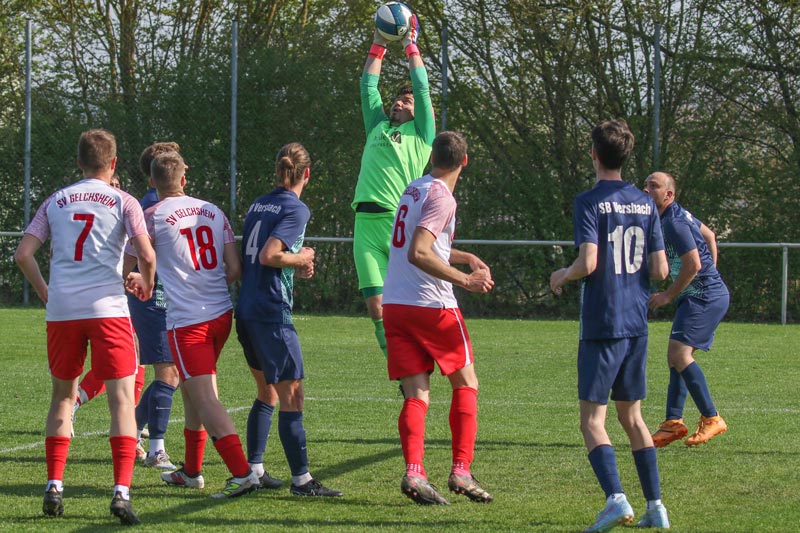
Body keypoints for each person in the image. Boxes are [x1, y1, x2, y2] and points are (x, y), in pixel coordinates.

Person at [14, 128, 156, 525]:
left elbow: (24, 254)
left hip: (64, 309)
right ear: (114, 163)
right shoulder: (124, 200)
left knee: (62, 397)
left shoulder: (55, 200)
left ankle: (54, 486)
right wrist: (146, 283)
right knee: (122, 400)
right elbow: (146, 254)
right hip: (108, 308)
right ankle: (121, 493)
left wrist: (46, 292)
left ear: (78, 162)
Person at [549, 120, 670, 531]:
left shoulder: (588, 201)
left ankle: (616, 500)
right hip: (636, 323)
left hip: (603, 321)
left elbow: (588, 262)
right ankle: (656, 507)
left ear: (594, 155)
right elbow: (660, 270)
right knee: (633, 419)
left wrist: (562, 275)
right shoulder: (645, 203)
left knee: (592, 421)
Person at [125, 151, 259, 498]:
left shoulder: (151, 216)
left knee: (205, 398)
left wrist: (142, 280)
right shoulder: (212, 211)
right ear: (184, 179)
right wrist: (204, 284)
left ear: (152, 182)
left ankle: (242, 473)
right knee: (192, 391)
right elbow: (234, 269)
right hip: (220, 314)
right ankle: (192, 471)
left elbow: (132, 265)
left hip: (188, 321)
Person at [383, 131, 494, 506]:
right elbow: (419, 251)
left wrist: (465, 257)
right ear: (465, 161)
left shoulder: (414, 189)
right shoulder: (443, 196)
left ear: (433, 158)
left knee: (417, 394)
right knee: (467, 383)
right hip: (431, 305)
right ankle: (461, 470)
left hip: (395, 305)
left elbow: (422, 242)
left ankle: (415, 472)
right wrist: (466, 280)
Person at [236, 143, 343, 497]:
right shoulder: (296, 208)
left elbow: (260, 256)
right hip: (271, 312)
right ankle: (302, 481)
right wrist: (302, 257)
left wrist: (296, 263)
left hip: (247, 308)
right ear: (306, 174)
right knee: (292, 395)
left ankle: (254, 470)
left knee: (266, 392)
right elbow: (270, 255)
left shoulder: (258, 203)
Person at [352, 9, 436, 359]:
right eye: (397, 99)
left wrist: (410, 45)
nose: (398, 103)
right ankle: (402, 371)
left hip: (397, 224)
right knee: (377, 307)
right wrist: (378, 43)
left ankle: (421, 358)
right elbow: (367, 86)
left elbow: (422, 87)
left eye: (406, 101)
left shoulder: (422, 133)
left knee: (408, 304)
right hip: (365, 225)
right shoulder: (377, 125)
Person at [643, 171, 729, 447]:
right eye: (645, 185)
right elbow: (710, 235)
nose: (646, 190)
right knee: (676, 358)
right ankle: (673, 423)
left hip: (704, 297)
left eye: (653, 186)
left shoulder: (674, 223)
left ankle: (712, 418)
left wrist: (668, 295)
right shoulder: (676, 214)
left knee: (679, 354)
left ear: (668, 195)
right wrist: (710, 274)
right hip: (698, 295)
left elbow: (693, 264)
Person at [71, 172, 147, 458]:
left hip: (111, 293)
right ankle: (76, 403)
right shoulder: (116, 211)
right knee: (122, 363)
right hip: (111, 298)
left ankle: (133, 417)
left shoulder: (123, 208)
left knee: (133, 360)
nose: (114, 189)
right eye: (110, 184)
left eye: (117, 185)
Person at [127, 142, 184, 470]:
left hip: (165, 298)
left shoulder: (157, 203)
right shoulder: (153, 207)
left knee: (171, 373)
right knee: (169, 371)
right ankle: (156, 449)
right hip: (154, 299)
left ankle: (132, 432)